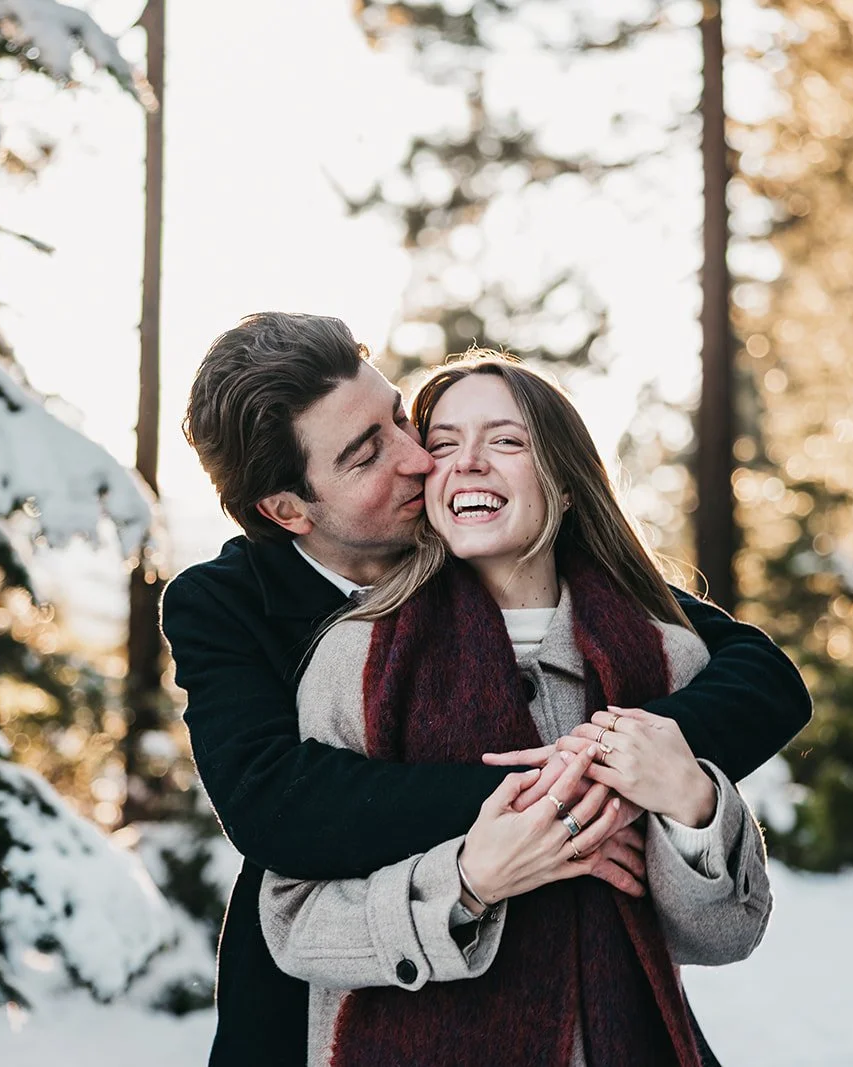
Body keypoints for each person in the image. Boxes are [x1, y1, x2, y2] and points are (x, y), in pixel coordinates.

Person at [161, 312, 811, 1067]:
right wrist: (529, 821)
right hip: (326, 1008)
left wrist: (632, 768)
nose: (419, 458)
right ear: (289, 509)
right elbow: (276, 803)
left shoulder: (548, 569)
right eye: (369, 452)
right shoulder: (235, 606)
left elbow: (759, 675)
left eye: (402, 418)